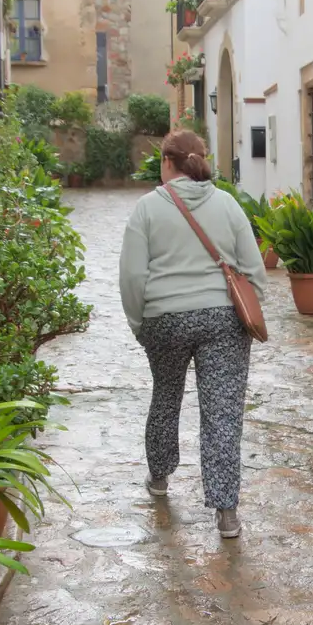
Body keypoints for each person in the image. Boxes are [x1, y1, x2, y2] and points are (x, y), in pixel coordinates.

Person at [119, 130, 267, 539]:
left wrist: (140, 323)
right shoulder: (228, 205)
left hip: (164, 319)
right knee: (222, 412)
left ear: (167, 162)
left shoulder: (147, 209)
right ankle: (226, 511)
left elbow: (132, 276)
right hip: (223, 319)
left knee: (165, 395)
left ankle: (160, 476)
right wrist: (250, 308)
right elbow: (254, 269)